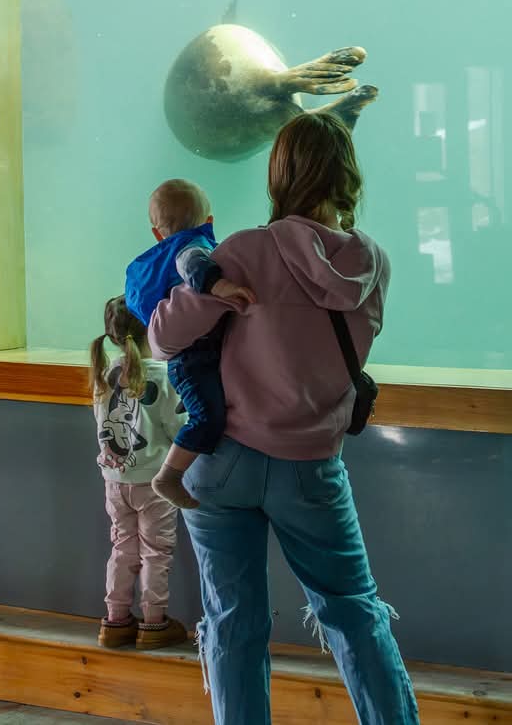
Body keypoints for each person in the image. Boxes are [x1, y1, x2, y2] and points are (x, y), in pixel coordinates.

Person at [147, 114, 418, 724]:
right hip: (311, 468)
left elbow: (161, 338)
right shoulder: (373, 265)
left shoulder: (244, 250)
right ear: (347, 175)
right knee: (353, 609)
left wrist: (208, 287)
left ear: (279, 174)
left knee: (232, 621)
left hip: (223, 463)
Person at [124, 179, 255, 509]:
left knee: (204, 395)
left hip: (187, 357)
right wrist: (218, 285)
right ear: (209, 221)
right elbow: (190, 262)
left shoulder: (159, 253)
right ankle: (168, 476)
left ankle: (193, 400)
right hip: (193, 357)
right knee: (209, 419)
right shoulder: (193, 244)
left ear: (157, 233)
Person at [89, 296, 189, 650]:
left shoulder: (104, 371)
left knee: (122, 547)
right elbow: (178, 428)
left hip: (115, 479)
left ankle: (115, 621)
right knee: (156, 551)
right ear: (154, 326)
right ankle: (153, 623)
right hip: (154, 482)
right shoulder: (163, 374)